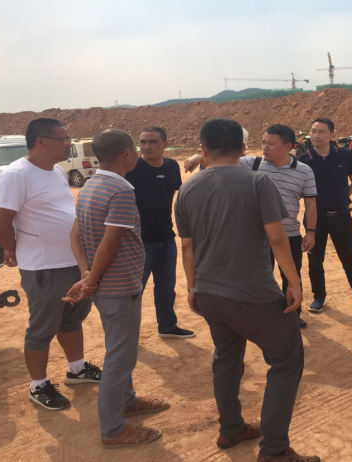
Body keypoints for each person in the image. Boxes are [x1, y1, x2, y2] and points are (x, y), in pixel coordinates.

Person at [175, 118, 318, 462]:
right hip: (252, 294)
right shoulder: (257, 181)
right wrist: (294, 282)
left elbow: (187, 246)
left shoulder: (187, 190)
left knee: (226, 359)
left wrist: (193, 287)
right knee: (286, 361)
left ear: (203, 149)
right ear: (243, 148)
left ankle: (231, 428)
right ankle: (274, 450)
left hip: (210, 293)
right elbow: (277, 237)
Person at [0, 118, 102, 412]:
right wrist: (13, 249)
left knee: (71, 319)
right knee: (42, 328)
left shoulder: (56, 171)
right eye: (63, 138)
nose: (69, 144)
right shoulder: (16, 175)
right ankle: (38, 385)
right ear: (41, 141)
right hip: (43, 267)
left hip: (72, 261)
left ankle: (77, 368)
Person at [66, 128, 169, 448]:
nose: (139, 152)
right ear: (126, 154)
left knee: (118, 349)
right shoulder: (121, 190)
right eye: (136, 148)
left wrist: (86, 273)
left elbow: (75, 235)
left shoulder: (90, 185)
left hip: (106, 286)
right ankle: (112, 429)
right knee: (120, 358)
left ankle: (128, 400)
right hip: (118, 287)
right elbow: (109, 243)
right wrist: (90, 279)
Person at [183, 124, 318, 328]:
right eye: (263, 142)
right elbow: (217, 160)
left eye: (270, 144)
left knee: (291, 275)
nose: (265, 147)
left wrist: (310, 231)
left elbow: (310, 204)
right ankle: (264, 316)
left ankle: (293, 315)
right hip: (257, 238)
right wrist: (196, 157)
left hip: (289, 234)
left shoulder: (304, 171)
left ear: (288, 146)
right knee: (260, 278)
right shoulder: (251, 163)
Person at [296, 118, 352, 313]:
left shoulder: (344, 155)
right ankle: (319, 297)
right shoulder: (302, 160)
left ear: (332, 135)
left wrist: (343, 198)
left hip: (341, 216)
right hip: (315, 218)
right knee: (315, 260)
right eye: (313, 131)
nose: (316, 135)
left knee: (350, 258)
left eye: (321, 131)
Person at [124, 126, 195, 339]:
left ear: (165, 144)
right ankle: (126, 335)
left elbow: (171, 197)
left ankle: (167, 326)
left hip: (166, 237)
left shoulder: (172, 166)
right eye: (142, 142)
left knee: (166, 288)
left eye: (152, 142)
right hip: (139, 241)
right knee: (134, 291)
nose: (146, 146)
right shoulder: (132, 169)